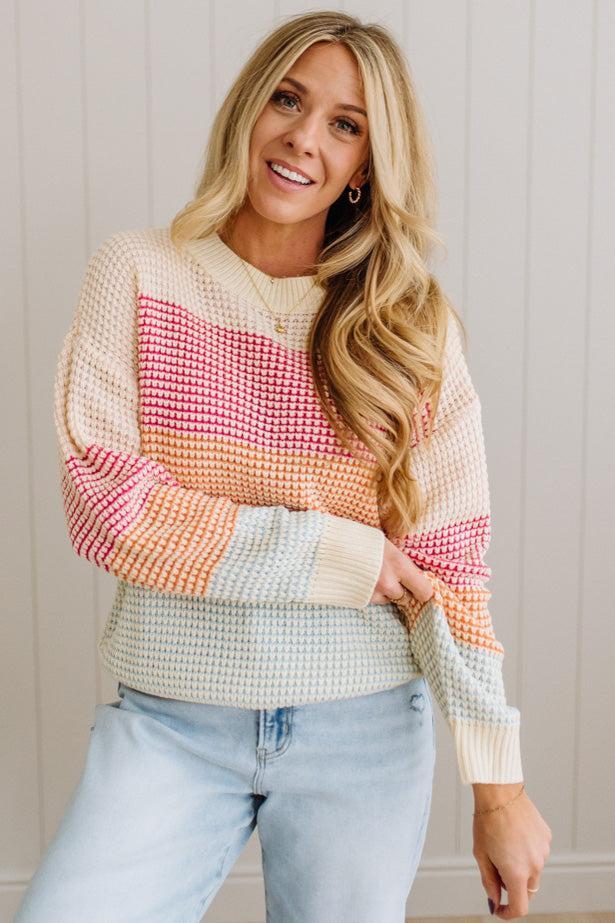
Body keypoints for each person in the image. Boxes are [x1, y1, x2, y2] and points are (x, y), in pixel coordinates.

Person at [15, 10, 551, 923]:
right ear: (248, 107)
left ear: (369, 162)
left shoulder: (408, 324)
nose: (304, 138)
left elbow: (448, 574)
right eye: (288, 99)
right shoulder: (140, 274)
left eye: (346, 124)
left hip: (365, 729)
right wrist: (345, 555)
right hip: (172, 721)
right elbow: (112, 511)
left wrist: (498, 790)